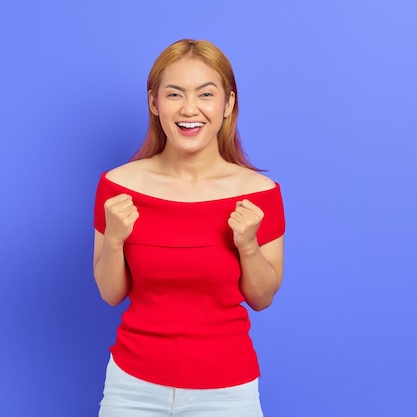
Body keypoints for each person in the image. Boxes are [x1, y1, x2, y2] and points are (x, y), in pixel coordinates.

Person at [93, 39, 285, 417]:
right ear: (154, 102)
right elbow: (111, 294)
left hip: (228, 393)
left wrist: (248, 245)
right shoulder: (117, 187)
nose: (190, 108)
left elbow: (262, 299)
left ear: (228, 104)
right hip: (132, 388)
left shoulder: (261, 194)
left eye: (206, 94)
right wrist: (114, 240)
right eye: (175, 94)